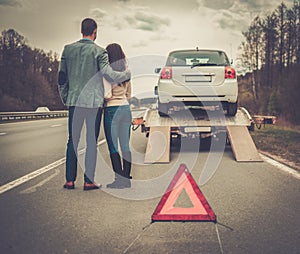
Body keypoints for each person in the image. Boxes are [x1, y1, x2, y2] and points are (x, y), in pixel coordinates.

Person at [58, 18, 131, 191]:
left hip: (74, 102)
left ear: (81, 30)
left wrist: (66, 98)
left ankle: (70, 180)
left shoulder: (67, 50)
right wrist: (127, 73)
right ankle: (88, 181)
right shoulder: (99, 52)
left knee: (72, 140)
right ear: (95, 31)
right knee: (91, 140)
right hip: (93, 104)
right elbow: (109, 74)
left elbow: (61, 78)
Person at [103, 43, 132, 188]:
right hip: (126, 109)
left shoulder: (107, 73)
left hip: (112, 110)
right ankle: (126, 179)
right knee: (125, 145)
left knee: (113, 146)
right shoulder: (127, 72)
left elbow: (107, 95)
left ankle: (118, 180)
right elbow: (129, 94)